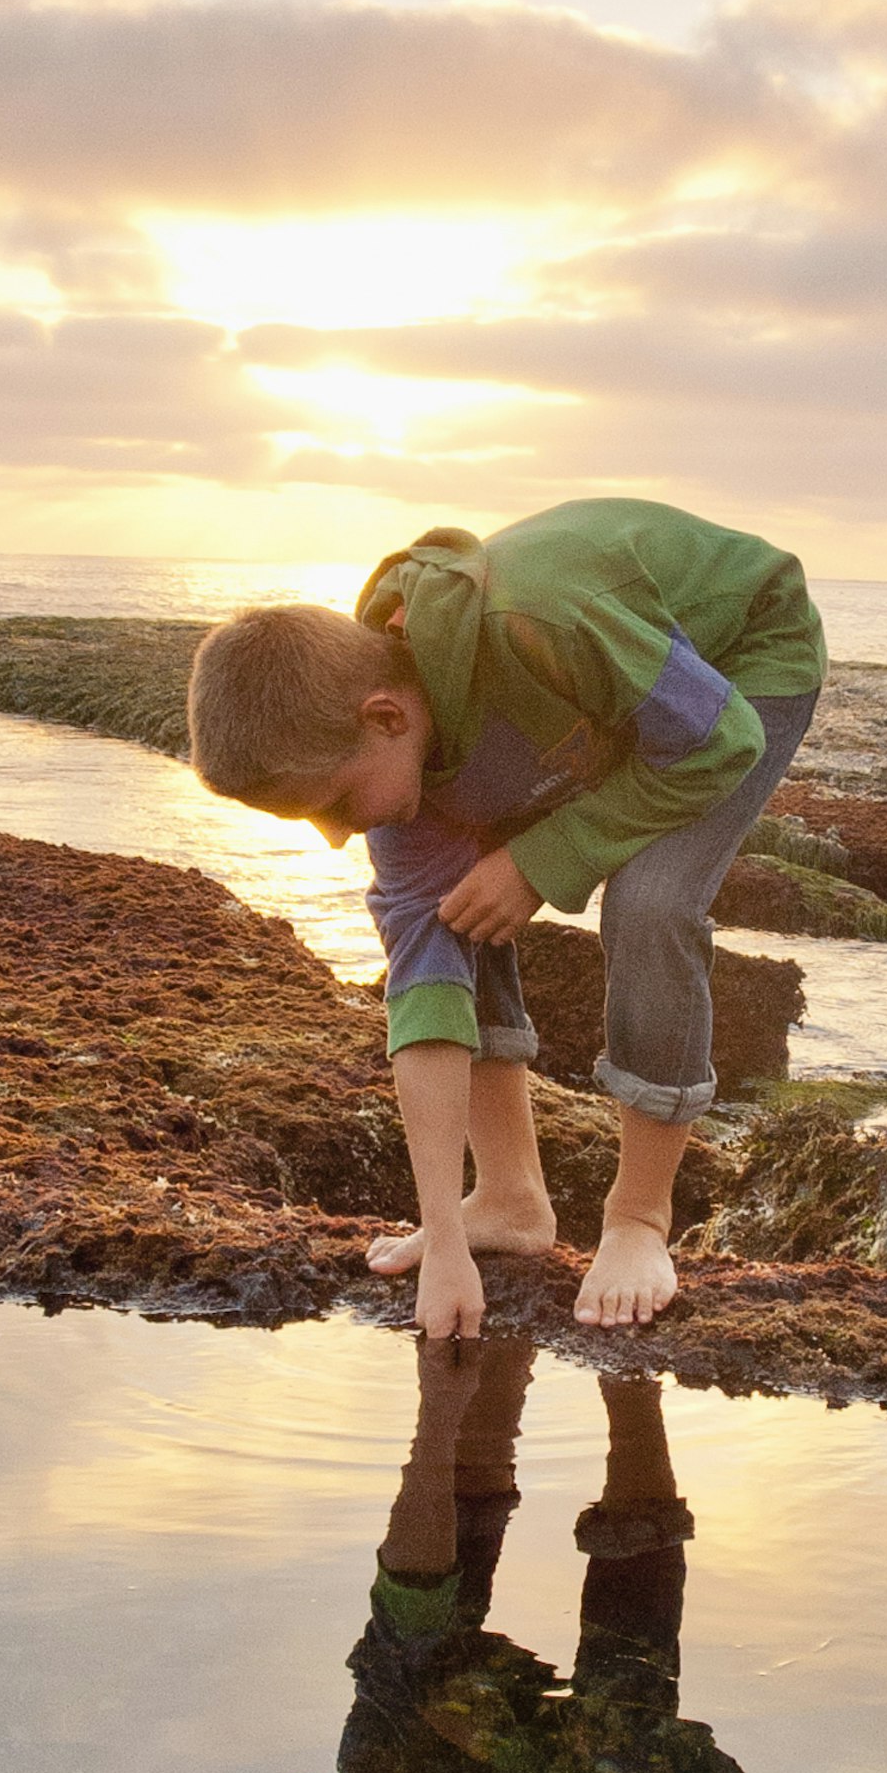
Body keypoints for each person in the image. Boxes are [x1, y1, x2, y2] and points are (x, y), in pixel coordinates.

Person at [182, 494, 823, 1334]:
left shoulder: (540, 621)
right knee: (455, 912)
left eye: (333, 802)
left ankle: (638, 1218)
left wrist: (539, 859)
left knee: (651, 900)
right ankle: (510, 1197)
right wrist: (443, 1235)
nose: (337, 838)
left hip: (742, 663)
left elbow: (718, 740)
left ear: (386, 717)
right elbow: (424, 992)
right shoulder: (402, 769)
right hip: (606, 702)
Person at [176, 1338, 756, 1773]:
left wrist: (439, 1410)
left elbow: (403, 1616)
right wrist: (516, 1753)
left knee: (412, 1661)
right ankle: (632, 1390)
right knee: (620, 1742)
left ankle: (482, 1381)